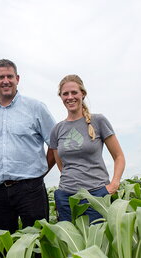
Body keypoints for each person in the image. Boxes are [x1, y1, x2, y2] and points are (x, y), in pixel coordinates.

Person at [0, 59, 56, 233]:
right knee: (3, 247)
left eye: (10, 76)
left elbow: (54, 144)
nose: (6, 81)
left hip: (31, 189)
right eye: (1, 77)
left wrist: (40, 172)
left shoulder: (36, 108)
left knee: (38, 243)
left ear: (17, 78)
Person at [49, 75, 125, 223]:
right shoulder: (57, 130)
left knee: (99, 242)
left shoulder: (98, 121)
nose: (70, 97)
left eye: (74, 92)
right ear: (61, 97)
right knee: (70, 244)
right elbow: (61, 166)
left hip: (97, 194)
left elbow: (119, 157)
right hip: (66, 197)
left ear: (83, 94)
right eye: (65, 94)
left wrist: (114, 184)